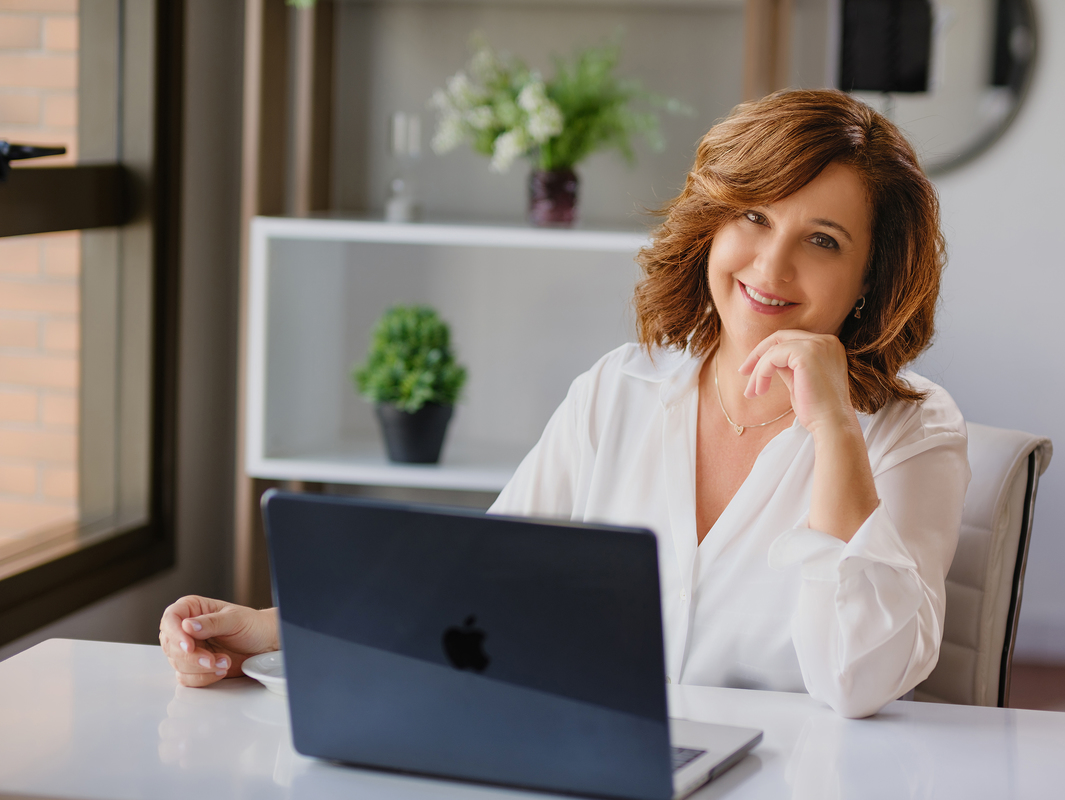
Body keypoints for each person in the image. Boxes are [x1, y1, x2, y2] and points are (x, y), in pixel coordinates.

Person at [160, 89, 969, 719]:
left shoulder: (913, 433)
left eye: (823, 239)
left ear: (872, 280)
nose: (772, 263)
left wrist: (831, 427)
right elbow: (479, 578)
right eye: (752, 216)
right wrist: (271, 629)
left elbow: (858, 678)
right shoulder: (622, 390)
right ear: (712, 226)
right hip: (602, 763)